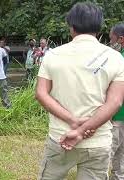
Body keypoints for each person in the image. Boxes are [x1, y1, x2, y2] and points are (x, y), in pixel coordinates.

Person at [35, 2, 124, 179]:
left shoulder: (53, 55)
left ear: (71, 27)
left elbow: (41, 93)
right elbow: (115, 102)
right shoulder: (114, 57)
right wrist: (83, 129)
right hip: (98, 140)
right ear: (99, 27)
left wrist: (74, 122)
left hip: (61, 137)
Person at [109, 23, 124, 180]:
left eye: (111, 36)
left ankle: (96, 175)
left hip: (119, 112)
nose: (109, 39)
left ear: (121, 39)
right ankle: (118, 177)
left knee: (110, 148)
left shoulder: (119, 59)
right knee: (122, 150)